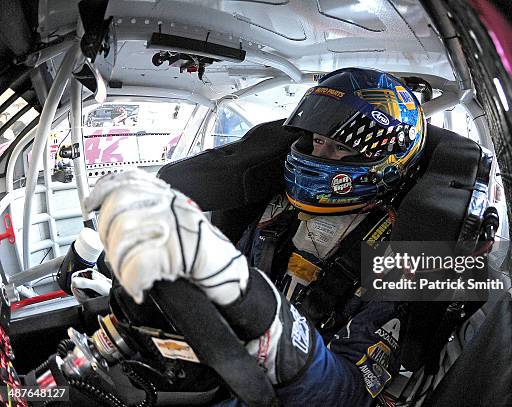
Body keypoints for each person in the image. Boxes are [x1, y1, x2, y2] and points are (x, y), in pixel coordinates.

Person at [84, 68, 426, 406]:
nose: (318, 155)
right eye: (318, 141)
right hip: (227, 372)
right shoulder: (278, 207)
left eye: (338, 147)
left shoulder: (406, 255)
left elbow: (351, 392)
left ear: (382, 159)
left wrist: (275, 334)